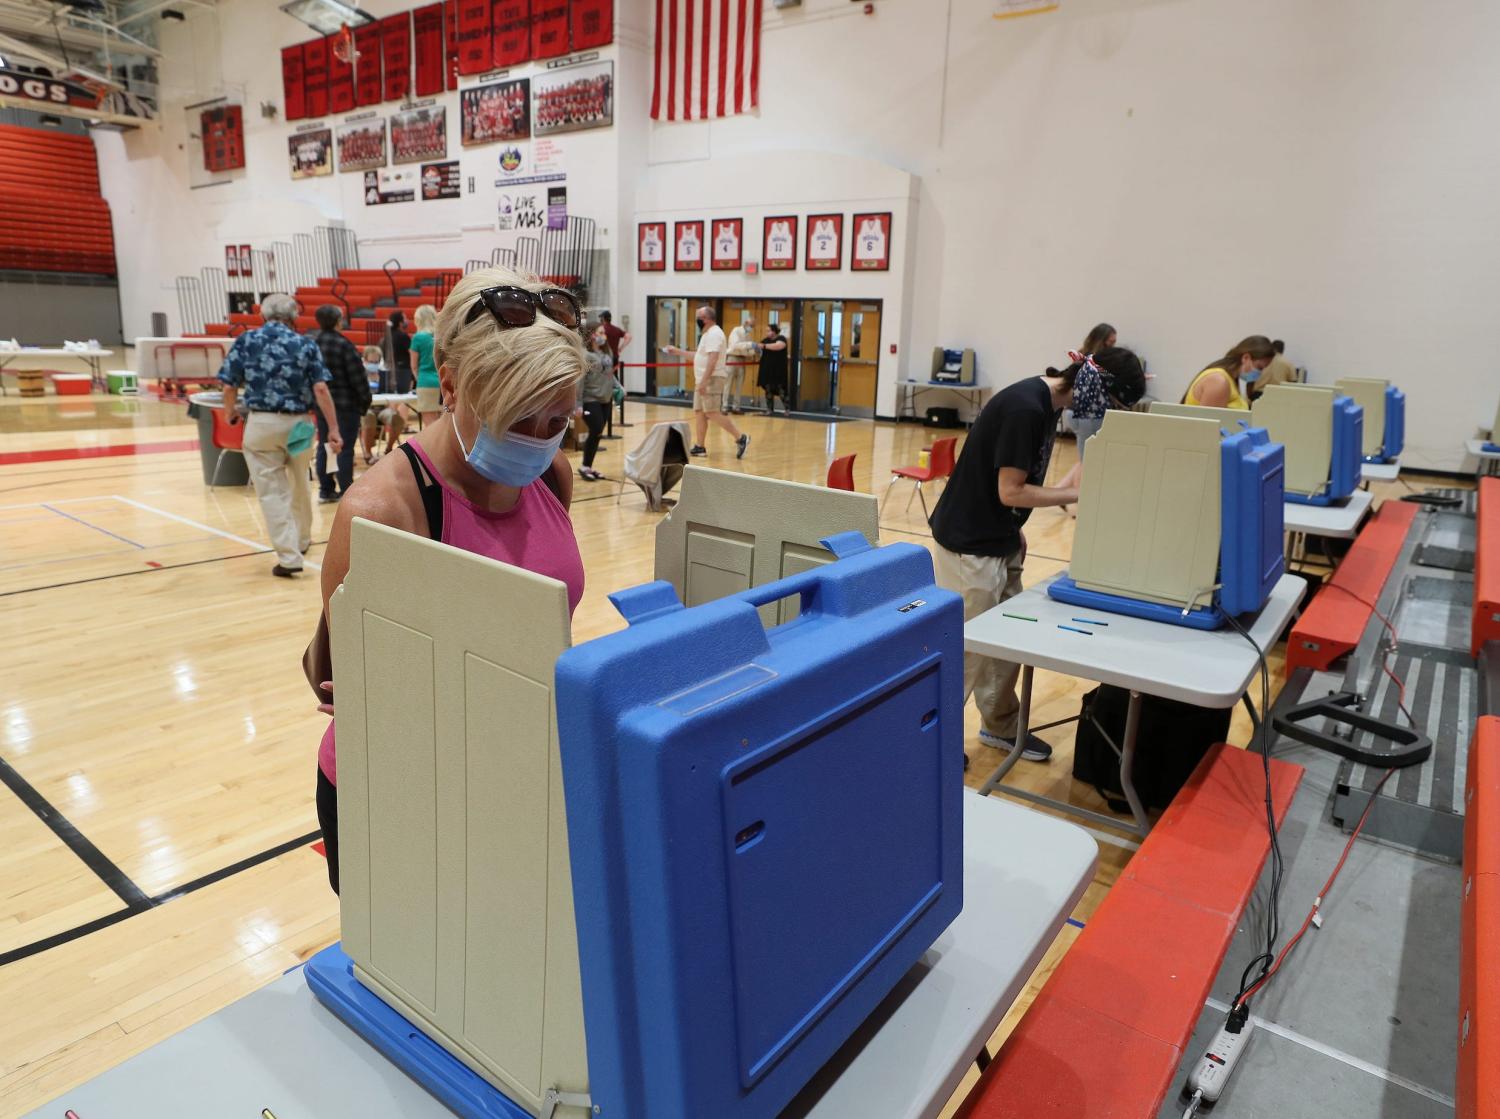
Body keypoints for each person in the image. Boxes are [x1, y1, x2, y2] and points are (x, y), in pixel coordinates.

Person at [312, 267, 589, 894]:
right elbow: (366, 693)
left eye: (557, 422)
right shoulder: (383, 512)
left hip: (513, 768)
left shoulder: (550, 475)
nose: (540, 441)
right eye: (520, 419)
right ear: (455, 387)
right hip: (400, 789)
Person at [928, 365, 1083, 763]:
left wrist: (1013, 529)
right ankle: (933, 741)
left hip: (998, 535)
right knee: (967, 649)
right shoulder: (1025, 409)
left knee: (1006, 638)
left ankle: (998, 724)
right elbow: (1010, 490)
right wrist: (1072, 494)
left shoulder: (1047, 405)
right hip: (969, 543)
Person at [217, 292, 342, 578]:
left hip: (262, 424)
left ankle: (288, 557)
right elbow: (321, 390)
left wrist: (230, 413)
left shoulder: (247, 341)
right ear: (294, 316)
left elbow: (227, 386)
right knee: (300, 482)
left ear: (262, 314)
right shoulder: (304, 343)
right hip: (299, 424)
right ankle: (302, 539)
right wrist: (333, 428)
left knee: (272, 492)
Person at [662, 304, 749, 459]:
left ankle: (740, 437)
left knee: (712, 412)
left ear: (707, 319)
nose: (697, 321)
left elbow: (713, 359)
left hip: (711, 379)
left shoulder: (715, 334)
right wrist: (677, 351)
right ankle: (700, 446)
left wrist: (703, 382)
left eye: (698, 318)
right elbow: (699, 356)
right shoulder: (707, 334)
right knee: (700, 412)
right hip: (702, 379)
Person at [313, 305, 371, 504]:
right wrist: (365, 400)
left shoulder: (313, 344)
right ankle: (347, 490)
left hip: (322, 405)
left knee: (324, 446)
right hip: (346, 405)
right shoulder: (344, 344)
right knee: (344, 448)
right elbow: (358, 377)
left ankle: (325, 489)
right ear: (338, 320)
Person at [1182, 335, 1277, 410]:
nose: (1259, 373)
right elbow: (1209, 429)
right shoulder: (1218, 381)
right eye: (1259, 367)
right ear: (1246, 358)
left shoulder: (1231, 380)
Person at [578, 333, 621, 481]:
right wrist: (578, 404)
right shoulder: (585, 355)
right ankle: (584, 466)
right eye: (600, 332)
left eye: (604, 333)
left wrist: (618, 386)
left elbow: (610, 374)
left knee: (597, 433)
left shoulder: (605, 353)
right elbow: (580, 380)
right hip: (590, 398)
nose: (603, 336)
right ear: (592, 335)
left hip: (606, 399)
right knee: (595, 429)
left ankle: (587, 466)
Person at [360, 344, 408, 464]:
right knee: (369, 416)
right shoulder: (360, 374)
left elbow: (390, 394)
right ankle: (368, 452)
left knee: (397, 418)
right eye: (371, 361)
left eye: (376, 361)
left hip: (382, 409)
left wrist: (392, 408)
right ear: (365, 360)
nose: (374, 364)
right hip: (366, 408)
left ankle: (389, 448)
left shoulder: (384, 375)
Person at [410, 303, 441, 423]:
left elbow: (413, 366)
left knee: (430, 424)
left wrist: (419, 379)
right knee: (443, 424)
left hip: (425, 381)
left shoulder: (418, 337)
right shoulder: (440, 336)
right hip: (442, 381)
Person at [723, 315, 758, 414]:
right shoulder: (736, 331)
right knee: (727, 384)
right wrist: (750, 345)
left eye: (753, 326)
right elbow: (735, 346)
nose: (751, 328)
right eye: (751, 325)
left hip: (742, 360)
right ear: (746, 323)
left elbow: (748, 350)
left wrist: (754, 352)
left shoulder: (748, 335)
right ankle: (724, 407)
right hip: (732, 359)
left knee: (739, 385)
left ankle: (736, 407)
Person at [758, 322, 791, 415]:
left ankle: (787, 409)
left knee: (781, 389)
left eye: (769, 330)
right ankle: (769, 409)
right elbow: (759, 349)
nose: (767, 332)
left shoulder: (781, 338)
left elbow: (778, 346)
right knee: (768, 389)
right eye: (766, 331)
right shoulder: (765, 340)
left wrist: (764, 346)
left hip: (778, 370)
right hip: (767, 369)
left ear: (774, 331)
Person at [387, 310, 413, 394]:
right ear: (400, 322)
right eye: (405, 318)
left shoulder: (388, 335)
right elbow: (411, 352)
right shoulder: (403, 336)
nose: (407, 320)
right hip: (404, 370)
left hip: (392, 368)